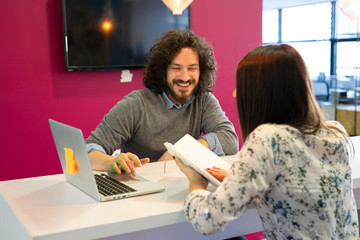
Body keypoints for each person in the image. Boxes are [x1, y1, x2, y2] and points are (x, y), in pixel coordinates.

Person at [175, 44, 359, 239]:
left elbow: (207, 221)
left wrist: (196, 182)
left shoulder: (268, 138)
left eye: (243, 86)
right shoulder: (336, 132)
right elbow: (301, 186)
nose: (236, 93)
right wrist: (241, 176)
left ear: (262, 93)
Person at [85, 29, 239, 176]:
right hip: (139, 190)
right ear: (163, 70)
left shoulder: (203, 100)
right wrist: (111, 161)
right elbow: (88, 149)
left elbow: (230, 140)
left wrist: (181, 151)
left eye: (192, 68)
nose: (185, 77)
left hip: (184, 186)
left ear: (201, 71)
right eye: (176, 68)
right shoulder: (135, 104)